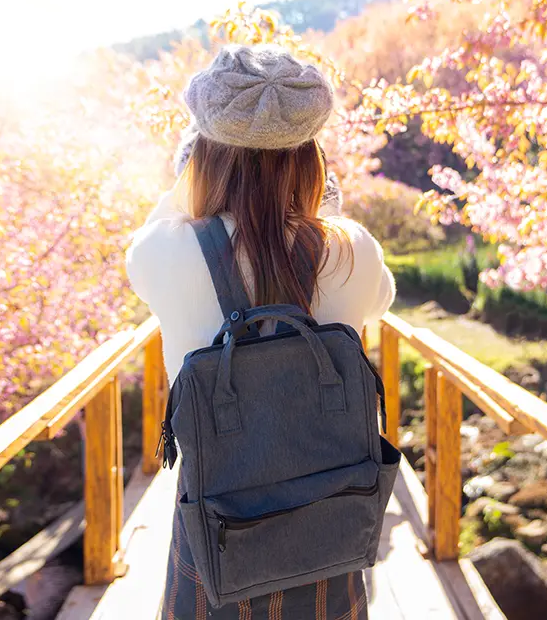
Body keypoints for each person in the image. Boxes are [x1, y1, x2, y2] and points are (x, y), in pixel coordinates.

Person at [126, 44, 395, 619]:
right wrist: (320, 208)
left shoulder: (162, 252)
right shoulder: (353, 248)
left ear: (203, 155)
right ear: (311, 156)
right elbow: (383, 301)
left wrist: (193, 180)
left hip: (219, 528)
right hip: (328, 520)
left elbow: (161, 228)